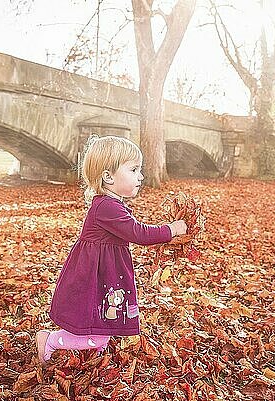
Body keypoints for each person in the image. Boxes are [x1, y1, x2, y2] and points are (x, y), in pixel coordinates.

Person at [35, 135, 188, 363]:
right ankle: (51, 340)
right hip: (93, 276)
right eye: (134, 170)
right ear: (108, 176)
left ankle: (94, 346)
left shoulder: (111, 204)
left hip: (104, 273)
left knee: (103, 316)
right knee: (98, 330)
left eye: (140, 170)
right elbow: (139, 233)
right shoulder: (106, 207)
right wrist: (171, 229)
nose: (141, 176)